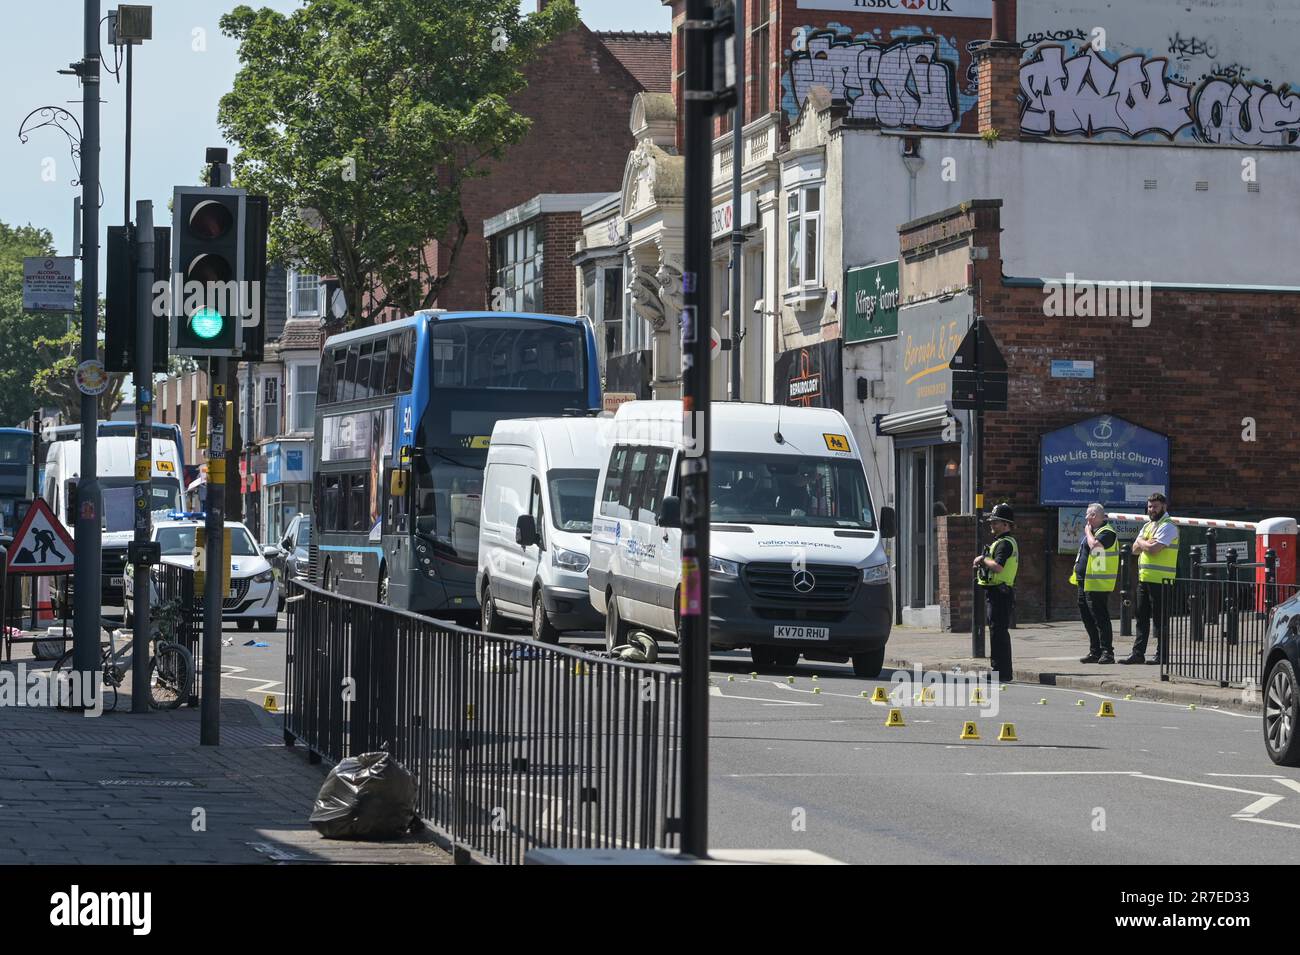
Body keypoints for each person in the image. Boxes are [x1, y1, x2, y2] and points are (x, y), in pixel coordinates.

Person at [1122, 492, 1180, 665]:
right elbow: (1134, 549)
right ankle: (1138, 654)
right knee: (1141, 617)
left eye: (1155, 506)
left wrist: (1142, 542)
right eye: (1149, 507)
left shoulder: (1168, 526)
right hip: (1145, 579)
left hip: (1162, 580)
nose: (1151, 510)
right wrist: (1145, 542)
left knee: (1160, 620)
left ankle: (1161, 655)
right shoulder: (1148, 526)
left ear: (1164, 506)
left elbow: (1154, 549)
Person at [973, 503, 1018, 682]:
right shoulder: (1003, 542)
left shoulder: (1004, 544)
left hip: (1000, 593)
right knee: (998, 631)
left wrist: (983, 559)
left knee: (998, 633)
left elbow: (998, 567)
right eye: (992, 522)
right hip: (999, 592)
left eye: (996, 522)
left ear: (1006, 524)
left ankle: (1001, 671)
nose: (992, 525)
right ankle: (1001, 670)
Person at [1073, 503, 1118, 664]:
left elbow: (1096, 547)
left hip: (1097, 582)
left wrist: (1087, 532)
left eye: (1089, 514)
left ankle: (1108, 652)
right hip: (1084, 581)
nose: (1086, 518)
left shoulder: (1106, 532)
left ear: (1096, 516)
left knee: (1100, 618)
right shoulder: (1094, 532)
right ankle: (1095, 651)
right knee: (1087, 618)